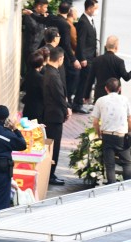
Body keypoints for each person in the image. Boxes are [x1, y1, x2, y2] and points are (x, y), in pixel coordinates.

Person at [90, 78, 131, 184]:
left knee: (110, 166)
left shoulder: (100, 100)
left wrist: (99, 134)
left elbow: (95, 122)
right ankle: (128, 186)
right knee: (127, 163)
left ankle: (112, 189)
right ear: (119, 89)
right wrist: (129, 131)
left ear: (106, 89)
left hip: (107, 136)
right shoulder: (125, 100)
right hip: (121, 136)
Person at [41, 46, 71, 186]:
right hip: (53, 116)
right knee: (55, 146)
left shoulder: (48, 71)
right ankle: (50, 174)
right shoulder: (53, 75)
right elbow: (59, 96)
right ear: (60, 59)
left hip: (50, 114)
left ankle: (50, 172)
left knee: (52, 144)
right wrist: (67, 110)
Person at [90, 36, 131, 104]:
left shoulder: (96, 60)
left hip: (99, 95)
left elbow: (90, 79)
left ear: (105, 46)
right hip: (115, 95)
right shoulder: (119, 61)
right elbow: (126, 77)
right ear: (116, 48)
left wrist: (86, 95)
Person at [50, 1, 81, 112]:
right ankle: (68, 102)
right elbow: (71, 43)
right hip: (66, 56)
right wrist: (74, 59)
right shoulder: (68, 25)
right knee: (68, 79)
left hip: (64, 55)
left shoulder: (57, 20)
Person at [74, 0, 98, 111]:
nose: (96, 10)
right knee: (84, 81)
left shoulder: (90, 20)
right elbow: (81, 42)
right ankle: (78, 104)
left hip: (91, 57)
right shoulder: (83, 22)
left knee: (87, 80)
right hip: (86, 58)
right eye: (95, 8)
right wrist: (82, 58)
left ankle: (81, 101)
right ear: (89, 8)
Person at [22, 52, 47, 121]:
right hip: (38, 109)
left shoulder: (28, 75)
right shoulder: (41, 78)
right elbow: (44, 94)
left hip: (27, 107)